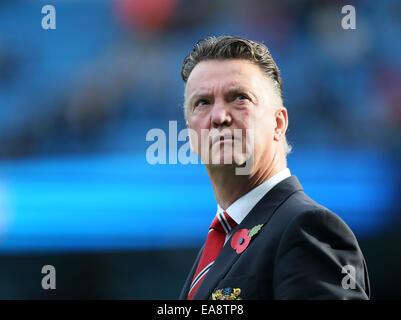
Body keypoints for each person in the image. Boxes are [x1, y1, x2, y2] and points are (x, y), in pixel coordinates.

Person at [178, 35, 370, 300]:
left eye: (239, 98)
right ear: (190, 136)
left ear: (278, 124)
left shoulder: (307, 228)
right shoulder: (220, 242)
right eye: (202, 103)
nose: (219, 117)